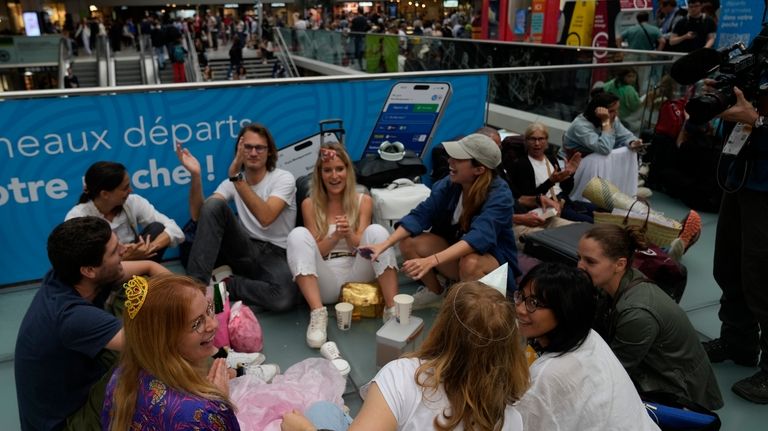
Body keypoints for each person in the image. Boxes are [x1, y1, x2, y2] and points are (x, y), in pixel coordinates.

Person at [281, 281, 529, 431]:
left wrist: (304, 429)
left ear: (443, 327)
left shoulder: (404, 376)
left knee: (321, 411)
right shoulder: (511, 419)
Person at [15, 217, 168, 431]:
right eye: (115, 251)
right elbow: (155, 344)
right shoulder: (71, 316)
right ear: (88, 270)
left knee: (136, 288)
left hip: (77, 384)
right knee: (151, 368)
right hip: (67, 422)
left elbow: (148, 266)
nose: (125, 250)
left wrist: (178, 289)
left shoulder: (70, 276)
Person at [365, 134, 520, 308]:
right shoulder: (449, 184)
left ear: (479, 169)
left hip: (491, 265)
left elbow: (479, 237)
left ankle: (473, 309)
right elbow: (420, 214)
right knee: (409, 242)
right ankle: (437, 292)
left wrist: (431, 261)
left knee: (471, 262)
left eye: (459, 158)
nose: (450, 161)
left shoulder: (501, 196)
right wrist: (384, 244)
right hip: (458, 257)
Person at [577, 224, 723, 409]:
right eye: (579, 258)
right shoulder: (619, 281)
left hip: (678, 392)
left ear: (620, 264)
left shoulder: (637, 313)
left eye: (590, 262)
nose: (579, 266)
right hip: (654, 369)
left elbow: (613, 372)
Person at [514, 262, 660, 430]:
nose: (520, 309)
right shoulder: (589, 337)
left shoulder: (547, 376)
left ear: (564, 310)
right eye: (521, 297)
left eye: (533, 303)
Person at [175, 123, 299, 312]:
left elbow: (265, 218)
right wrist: (196, 176)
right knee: (214, 204)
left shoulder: (283, 178)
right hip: (244, 248)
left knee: (283, 298)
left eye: (259, 148)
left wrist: (236, 177)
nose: (253, 152)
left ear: (270, 152)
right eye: (247, 147)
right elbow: (200, 215)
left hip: (276, 253)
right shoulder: (232, 182)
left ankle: (226, 285)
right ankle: (195, 292)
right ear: (239, 151)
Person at [286, 143, 399, 348]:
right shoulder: (309, 204)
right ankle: (318, 315)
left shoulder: (363, 200)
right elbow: (314, 252)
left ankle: (392, 310)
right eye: (327, 170)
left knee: (377, 232)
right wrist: (335, 235)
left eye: (339, 169)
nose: (334, 175)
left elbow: (364, 247)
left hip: (357, 275)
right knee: (297, 235)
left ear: (348, 171)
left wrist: (348, 236)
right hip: (325, 279)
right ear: (320, 174)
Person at [101, 274, 240, 430]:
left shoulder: (119, 378)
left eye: (209, 310)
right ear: (164, 341)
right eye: (196, 323)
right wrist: (220, 405)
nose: (213, 324)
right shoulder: (204, 414)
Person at [704, 84, 768, 404]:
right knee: (729, 265)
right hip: (741, 175)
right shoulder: (760, 54)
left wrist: (756, 120)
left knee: (763, 276)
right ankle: (738, 341)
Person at [65, 161, 185, 262]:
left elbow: (176, 231)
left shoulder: (133, 202)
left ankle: (142, 285)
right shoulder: (78, 218)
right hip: (105, 275)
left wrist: (148, 248)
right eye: (125, 188)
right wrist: (125, 258)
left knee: (157, 228)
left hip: (139, 266)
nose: (130, 190)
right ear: (105, 194)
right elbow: (81, 262)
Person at [506, 123, 591, 250]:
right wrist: (550, 181)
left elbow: (566, 189)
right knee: (588, 224)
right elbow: (529, 198)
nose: (537, 143)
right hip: (546, 208)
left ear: (546, 141)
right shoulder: (522, 165)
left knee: (597, 211)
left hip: (564, 201)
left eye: (541, 139)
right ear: (526, 141)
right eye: (532, 139)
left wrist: (570, 174)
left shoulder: (551, 159)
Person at [563, 89, 645, 201]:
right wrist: (606, 121)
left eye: (617, 110)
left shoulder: (613, 119)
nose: (616, 114)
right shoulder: (581, 126)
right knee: (601, 156)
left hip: (595, 167)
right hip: (572, 166)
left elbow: (626, 135)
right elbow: (604, 148)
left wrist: (632, 142)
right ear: (597, 111)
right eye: (611, 111)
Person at [602, 68, 643, 132]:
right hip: (623, 118)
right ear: (622, 76)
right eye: (629, 76)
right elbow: (634, 107)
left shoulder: (610, 83)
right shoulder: (629, 89)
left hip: (608, 115)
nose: (632, 79)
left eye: (634, 76)